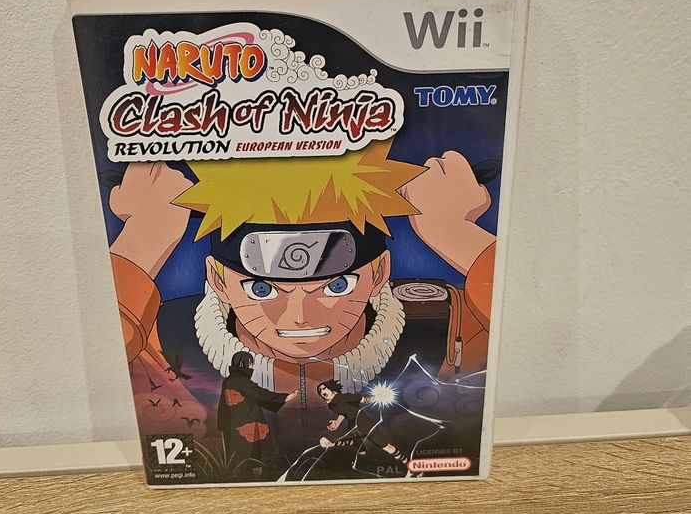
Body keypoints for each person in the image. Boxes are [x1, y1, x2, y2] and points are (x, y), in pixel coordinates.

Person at [109, 140, 495, 452]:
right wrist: (143, 238)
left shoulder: (446, 325)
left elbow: (512, 329)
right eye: (262, 289)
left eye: (336, 286)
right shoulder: (161, 338)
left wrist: (456, 233)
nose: (299, 316)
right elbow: (107, 350)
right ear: (218, 279)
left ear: (379, 273)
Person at [217, 351, 298, 480]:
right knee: (253, 455)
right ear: (242, 363)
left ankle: (248, 479)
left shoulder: (229, 380)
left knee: (242, 455)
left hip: (235, 424)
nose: (251, 367)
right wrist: (284, 398)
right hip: (246, 424)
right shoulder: (240, 381)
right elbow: (259, 394)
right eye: (250, 364)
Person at [317, 380, 407, 466]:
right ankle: (365, 458)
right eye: (320, 390)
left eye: (324, 388)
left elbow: (364, 400)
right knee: (325, 442)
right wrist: (337, 422)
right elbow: (344, 412)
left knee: (387, 447)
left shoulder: (346, 397)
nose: (322, 391)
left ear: (331, 389)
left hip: (366, 425)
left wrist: (379, 397)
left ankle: (408, 463)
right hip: (353, 428)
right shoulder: (331, 405)